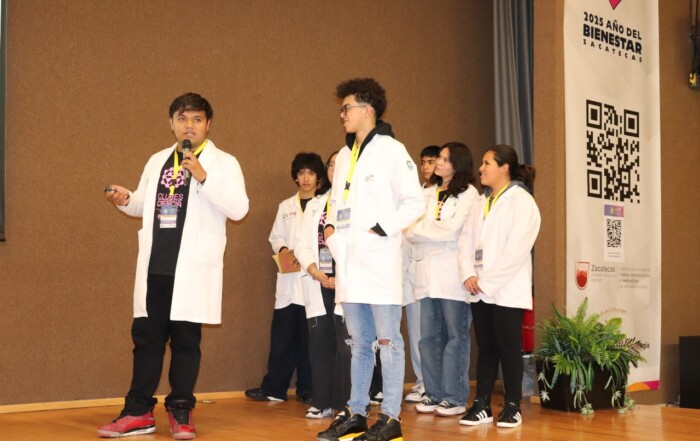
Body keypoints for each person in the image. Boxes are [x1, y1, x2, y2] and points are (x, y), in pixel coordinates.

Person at [99, 93, 249, 440]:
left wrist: (203, 177)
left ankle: (181, 410)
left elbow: (239, 208)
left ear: (208, 125)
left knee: (185, 342)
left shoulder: (224, 163)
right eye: (182, 119)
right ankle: (138, 412)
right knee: (146, 341)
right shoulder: (158, 161)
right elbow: (143, 205)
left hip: (192, 271)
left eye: (196, 119)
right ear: (171, 124)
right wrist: (125, 199)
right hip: (155, 268)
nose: (189, 126)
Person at [317, 78, 425, 441]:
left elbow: (415, 202)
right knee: (358, 343)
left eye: (346, 108)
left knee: (388, 341)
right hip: (349, 263)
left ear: (367, 110)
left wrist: (381, 230)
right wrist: (331, 231)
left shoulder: (393, 150)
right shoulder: (345, 154)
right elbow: (335, 202)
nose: (342, 114)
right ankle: (356, 412)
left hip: (379, 262)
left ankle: (391, 417)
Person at [457, 144, 540, 429]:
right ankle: (481, 405)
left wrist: (487, 282)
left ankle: (512, 406)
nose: (480, 169)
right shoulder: (480, 202)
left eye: (487, 163)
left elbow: (516, 251)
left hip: (505, 289)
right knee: (487, 347)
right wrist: (468, 274)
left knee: (508, 347)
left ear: (504, 168)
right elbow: (465, 242)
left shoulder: (522, 201)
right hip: (479, 288)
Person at [407, 142, 478, 417]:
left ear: (458, 164)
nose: (439, 162)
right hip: (426, 277)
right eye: (439, 157)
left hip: (452, 277)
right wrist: (428, 230)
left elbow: (453, 230)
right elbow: (408, 230)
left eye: (446, 159)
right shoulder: (428, 192)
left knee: (455, 338)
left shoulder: (469, 194)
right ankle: (433, 394)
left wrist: (424, 230)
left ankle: (454, 397)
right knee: (428, 339)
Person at [245, 153, 320, 403]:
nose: (306, 178)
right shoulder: (286, 206)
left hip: (313, 281)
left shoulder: (324, 205)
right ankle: (274, 389)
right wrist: (284, 249)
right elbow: (276, 237)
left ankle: (308, 389)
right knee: (282, 339)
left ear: (318, 177)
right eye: (301, 173)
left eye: (311, 173)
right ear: (295, 177)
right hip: (289, 281)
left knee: (310, 341)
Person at [295, 151, 352, 419]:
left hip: (347, 282)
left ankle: (344, 404)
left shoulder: (355, 201)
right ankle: (321, 401)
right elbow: (301, 245)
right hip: (318, 281)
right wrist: (315, 272)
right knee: (319, 345)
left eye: (339, 165)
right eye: (330, 165)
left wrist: (343, 276)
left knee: (345, 347)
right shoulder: (316, 205)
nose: (333, 169)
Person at [403, 144, 441, 404]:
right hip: (410, 272)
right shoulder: (413, 194)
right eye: (423, 162)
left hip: (435, 272)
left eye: (431, 162)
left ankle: (436, 383)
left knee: (434, 332)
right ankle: (421, 382)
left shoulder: (444, 195)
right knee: (416, 332)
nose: (426, 167)